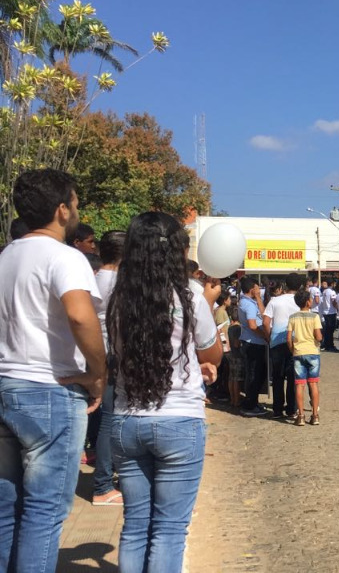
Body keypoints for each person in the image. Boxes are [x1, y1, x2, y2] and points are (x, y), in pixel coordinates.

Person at [0, 170, 106, 573]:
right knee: (45, 511)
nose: (77, 211)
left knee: (6, 507)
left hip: (6, 383)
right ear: (62, 210)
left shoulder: (6, 256)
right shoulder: (65, 256)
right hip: (49, 389)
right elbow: (80, 316)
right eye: (75, 203)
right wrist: (97, 372)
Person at [107, 211, 223, 573]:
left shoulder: (117, 297)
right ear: (176, 251)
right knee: (169, 531)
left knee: (135, 527)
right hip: (179, 419)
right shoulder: (190, 296)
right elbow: (212, 352)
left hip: (127, 419)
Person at [91, 230, 127, 506]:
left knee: (105, 418)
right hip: (112, 359)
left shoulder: (92, 279)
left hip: (95, 357)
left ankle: (106, 477)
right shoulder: (117, 284)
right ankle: (102, 485)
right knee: (111, 419)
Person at [263, 273, 303, 420]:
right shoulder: (301, 301)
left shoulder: (275, 301)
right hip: (296, 342)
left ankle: (277, 409)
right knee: (293, 377)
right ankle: (291, 409)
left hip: (277, 342)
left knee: (278, 377)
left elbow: (266, 322)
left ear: (286, 285)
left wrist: (269, 337)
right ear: (300, 286)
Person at [288, 290, 322, 426]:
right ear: (308, 302)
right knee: (313, 384)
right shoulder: (314, 317)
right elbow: (318, 336)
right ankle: (315, 415)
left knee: (299, 384)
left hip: (298, 352)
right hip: (312, 352)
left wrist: (293, 350)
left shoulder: (292, 317)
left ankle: (301, 416)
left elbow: (288, 338)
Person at [238, 277, 269, 417]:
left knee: (257, 374)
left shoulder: (249, 302)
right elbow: (252, 325)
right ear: (252, 289)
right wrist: (264, 335)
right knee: (253, 375)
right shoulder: (248, 305)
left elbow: (263, 315)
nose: (259, 290)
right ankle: (249, 405)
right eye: (257, 288)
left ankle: (253, 402)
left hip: (255, 342)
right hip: (253, 343)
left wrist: (258, 298)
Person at [319, 281, 338, 352]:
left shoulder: (324, 291)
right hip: (331, 312)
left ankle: (326, 344)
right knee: (330, 330)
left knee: (327, 330)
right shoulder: (332, 292)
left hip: (325, 312)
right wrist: (338, 308)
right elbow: (333, 302)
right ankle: (330, 345)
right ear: (332, 284)